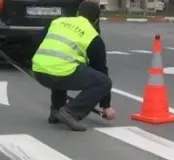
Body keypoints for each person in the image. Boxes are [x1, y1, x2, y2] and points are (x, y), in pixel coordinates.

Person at [31, 1, 116, 132]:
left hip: (39, 71)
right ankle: (71, 112)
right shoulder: (93, 36)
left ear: (77, 13)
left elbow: (35, 41)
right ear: (96, 20)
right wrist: (106, 106)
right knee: (103, 82)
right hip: (60, 73)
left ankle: (56, 110)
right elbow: (101, 70)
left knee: (63, 66)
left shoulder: (58, 21)